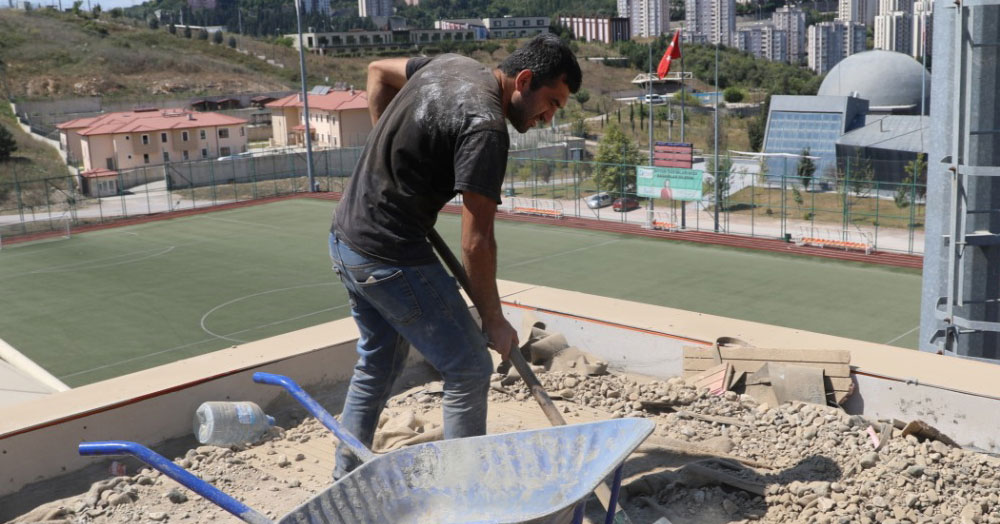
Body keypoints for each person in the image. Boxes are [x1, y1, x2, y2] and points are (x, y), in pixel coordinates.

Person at [327, 34, 582, 479]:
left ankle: (346, 477)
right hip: (390, 257)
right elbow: (476, 241)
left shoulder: (450, 64)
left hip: (346, 238)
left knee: (378, 364)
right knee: (468, 366)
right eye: (552, 102)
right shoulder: (486, 127)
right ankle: (466, 494)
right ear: (524, 80)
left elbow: (377, 73)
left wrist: (391, 160)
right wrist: (494, 319)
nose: (548, 117)